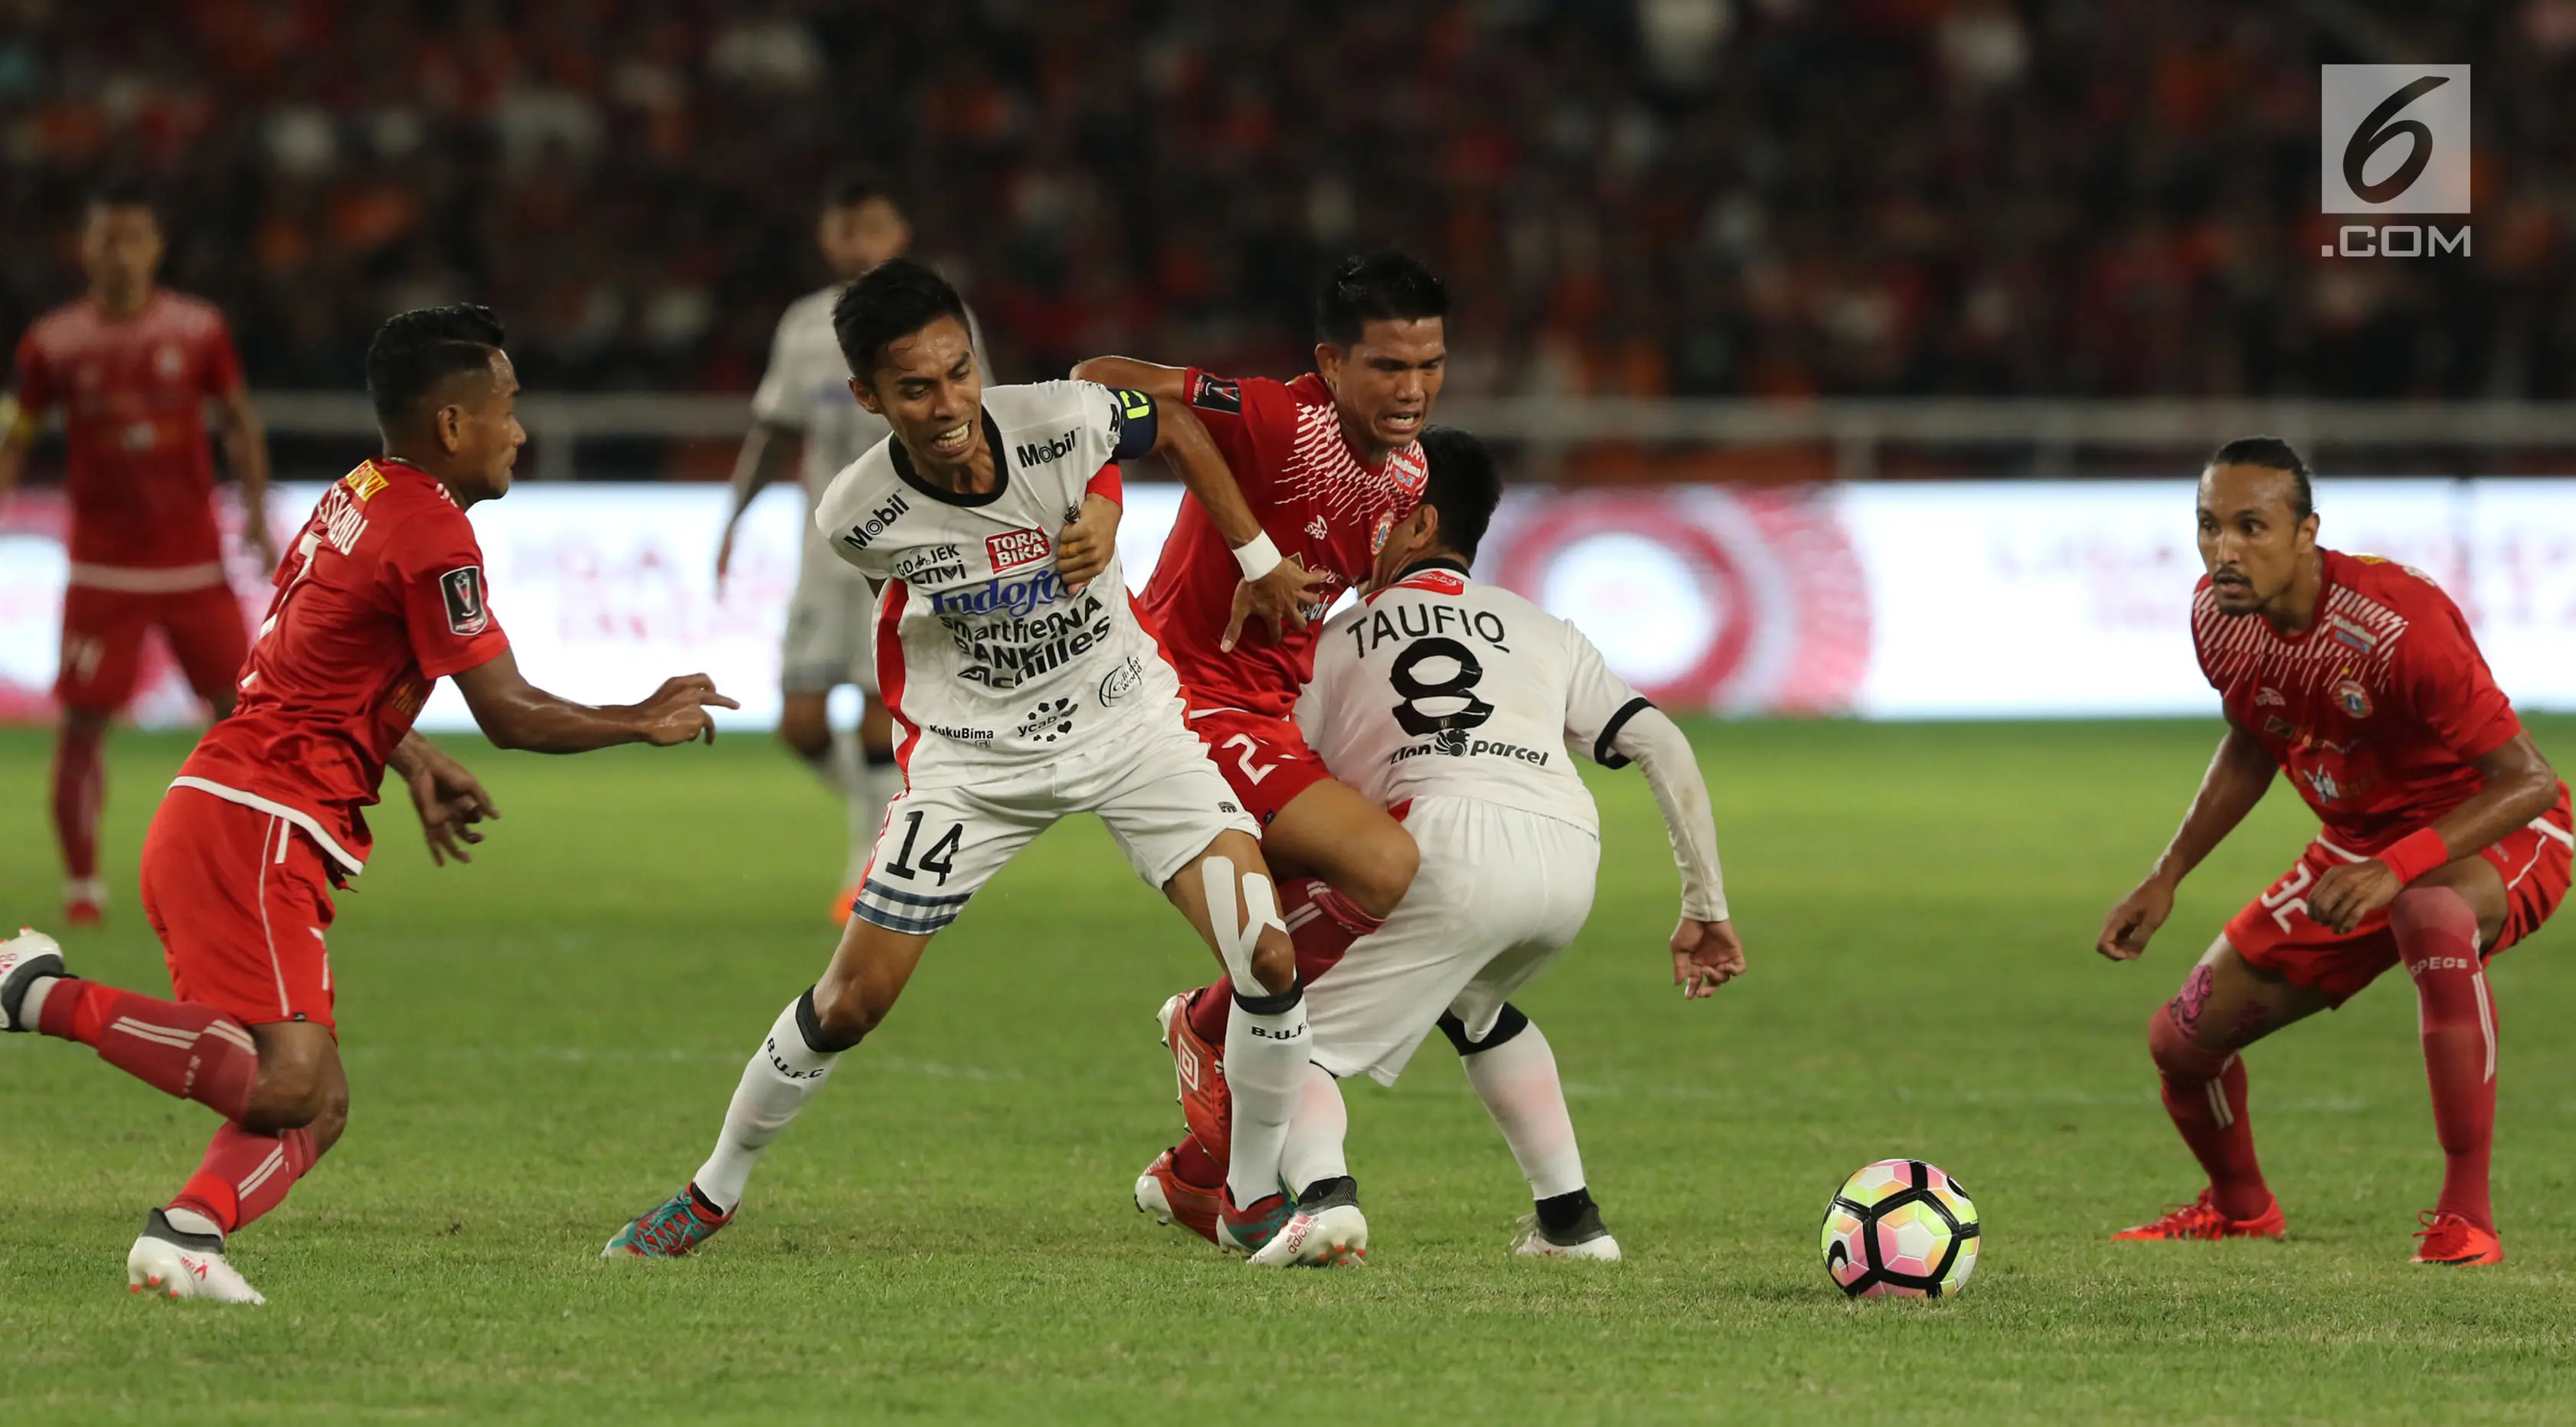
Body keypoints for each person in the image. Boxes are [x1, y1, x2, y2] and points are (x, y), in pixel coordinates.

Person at [0, 305, 736, 1304]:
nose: (519, 429)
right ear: (452, 426)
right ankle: (33, 994)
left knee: (319, 1104)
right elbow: (513, 713)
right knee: (288, 1080)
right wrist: (637, 716)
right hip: (252, 823)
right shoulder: (431, 532)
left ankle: (186, 1235)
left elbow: (316, 667)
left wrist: (410, 754)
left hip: (252, 814)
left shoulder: (364, 489)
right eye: (507, 408)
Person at [602, 259, 1317, 1262]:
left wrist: (1170, 526)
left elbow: (1171, 425)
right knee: (851, 1002)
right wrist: (1077, 523)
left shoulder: (1061, 415)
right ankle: (711, 1194)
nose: (948, 405)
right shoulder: (857, 516)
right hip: (976, 763)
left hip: (1129, 727)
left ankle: (1251, 1203)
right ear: (867, 397)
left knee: (1268, 956)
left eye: (959, 372)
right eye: (915, 388)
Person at [1133, 428, 1747, 1265]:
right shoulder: (1544, 628)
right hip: (1567, 856)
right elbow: (1662, 744)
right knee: (1477, 1007)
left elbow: (1295, 801)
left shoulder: (1332, 639)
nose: (1357, 529)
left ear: (1417, 523)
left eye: (1376, 509)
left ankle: (1323, 1199)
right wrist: (1703, 905)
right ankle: (1573, 1224)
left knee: (1288, 1032)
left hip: (1442, 844)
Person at [2097, 437, 2569, 1266]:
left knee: (2428, 908)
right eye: (2209, 526)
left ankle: (2467, 1217)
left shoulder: (2397, 627)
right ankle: (2241, 1209)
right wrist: (2166, 874)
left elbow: (2528, 780)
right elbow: (2253, 739)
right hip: (2355, 851)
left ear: (2307, 532)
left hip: (2498, 831)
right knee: (2182, 1042)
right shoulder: (2217, 617)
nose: (2224, 550)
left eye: (2251, 527)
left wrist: (2396, 867)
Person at [1069, 250, 1450, 1211]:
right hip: (1185, 700)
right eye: (1388, 367)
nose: (1413, 391)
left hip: (1267, 711)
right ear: (1330, 362)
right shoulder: (1280, 417)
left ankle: (1202, 1178)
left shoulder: (1407, 472)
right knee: (1384, 867)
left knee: (1324, 912)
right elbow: (1096, 383)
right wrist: (1251, 550)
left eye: (1430, 365)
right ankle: (1207, 1024)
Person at [715, 173, 992, 922]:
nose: (859, 242)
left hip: (907, 546)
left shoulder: (942, 320)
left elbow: (977, 419)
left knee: (880, 717)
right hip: (822, 549)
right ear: (827, 238)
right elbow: (773, 430)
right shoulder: (804, 326)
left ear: (899, 233)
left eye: (874, 227)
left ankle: (868, 862)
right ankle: (896, 820)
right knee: (799, 724)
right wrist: (733, 520)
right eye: (847, 229)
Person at [0, 179, 277, 926]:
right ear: (86, 250)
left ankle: (241, 871)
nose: (119, 253)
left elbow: (238, 422)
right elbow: (19, 434)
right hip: (102, 566)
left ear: (156, 248)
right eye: (106, 239)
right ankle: (84, 887)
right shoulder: (54, 341)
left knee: (238, 716)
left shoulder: (197, 330)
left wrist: (254, 515)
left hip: (193, 560)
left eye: (133, 239)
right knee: (84, 721)